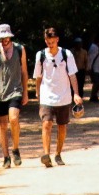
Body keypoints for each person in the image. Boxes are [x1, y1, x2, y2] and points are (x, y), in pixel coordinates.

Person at [33, 27, 81, 166]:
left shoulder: (66, 54)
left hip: (64, 96)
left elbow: (72, 75)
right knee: (46, 124)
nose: (50, 44)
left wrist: (76, 93)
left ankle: (58, 154)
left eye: (53, 41)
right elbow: (38, 76)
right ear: (45, 40)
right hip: (46, 96)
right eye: (48, 42)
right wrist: (37, 92)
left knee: (62, 126)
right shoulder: (40, 55)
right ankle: (46, 154)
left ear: (57, 40)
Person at [0, 24, 29, 167]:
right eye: (2, 37)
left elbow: (24, 72)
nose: (5, 40)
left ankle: (15, 149)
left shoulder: (19, 49)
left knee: (14, 118)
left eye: (6, 36)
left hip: (15, 90)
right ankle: (6, 156)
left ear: (10, 35)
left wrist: (26, 92)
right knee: (2, 124)